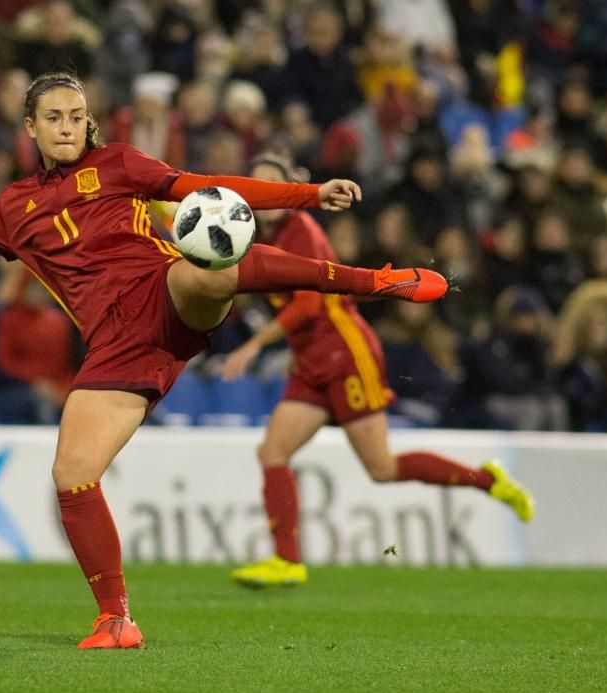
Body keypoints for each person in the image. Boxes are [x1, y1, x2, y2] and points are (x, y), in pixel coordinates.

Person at [0, 72, 447, 650]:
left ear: (88, 123)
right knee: (72, 473)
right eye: (52, 117)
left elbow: (204, 188)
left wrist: (306, 196)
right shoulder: (11, 210)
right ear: (30, 128)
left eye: (75, 116)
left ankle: (372, 280)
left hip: (164, 295)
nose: (65, 126)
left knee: (210, 269)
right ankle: (116, 619)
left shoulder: (118, 163)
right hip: (115, 346)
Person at [222, 153, 535, 589]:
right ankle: (286, 561)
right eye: (257, 188)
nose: (265, 198)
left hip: (346, 351)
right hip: (312, 360)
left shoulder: (303, 231)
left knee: (382, 468)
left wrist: (254, 345)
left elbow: (310, 303)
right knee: (272, 453)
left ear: (289, 189)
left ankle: (487, 480)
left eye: (272, 186)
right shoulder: (250, 233)